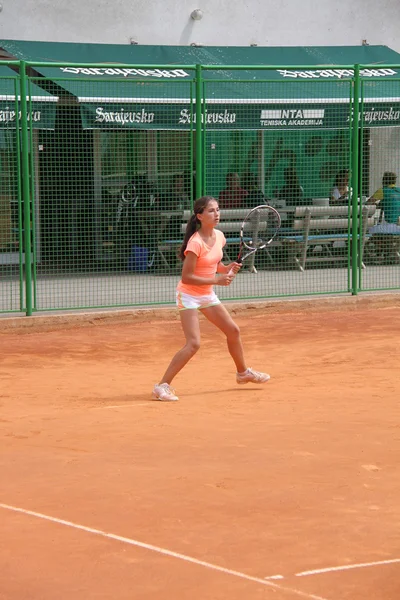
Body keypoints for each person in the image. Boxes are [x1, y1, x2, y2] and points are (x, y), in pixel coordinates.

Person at [152, 196, 270, 401]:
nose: (217, 214)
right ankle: (162, 386)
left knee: (233, 330)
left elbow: (215, 265)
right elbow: (187, 276)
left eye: (218, 210)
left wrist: (227, 268)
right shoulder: (195, 243)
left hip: (206, 294)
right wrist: (217, 280)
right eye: (211, 211)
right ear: (199, 216)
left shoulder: (220, 236)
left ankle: (242, 373)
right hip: (188, 295)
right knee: (193, 343)